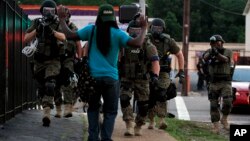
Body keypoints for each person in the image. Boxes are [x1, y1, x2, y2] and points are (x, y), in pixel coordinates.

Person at [57, 4, 148, 141]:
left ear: (98, 17)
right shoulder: (118, 34)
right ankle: (106, 138)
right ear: (113, 18)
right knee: (110, 112)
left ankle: (93, 137)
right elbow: (137, 43)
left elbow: (69, 35)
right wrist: (144, 28)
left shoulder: (91, 30)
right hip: (111, 79)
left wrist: (62, 19)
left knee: (93, 108)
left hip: (92, 78)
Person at [24, 0, 66, 127]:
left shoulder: (58, 22)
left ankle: (47, 113)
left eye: (51, 11)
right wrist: (37, 31)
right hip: (39, 60)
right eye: (46, 11)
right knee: (42, 88)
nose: (48, 13)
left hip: (53, 60)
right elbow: (26, 38)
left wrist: (51, 32)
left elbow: (63, 37)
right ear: (42, 11)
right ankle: (45, 107)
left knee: (50, 84)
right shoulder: (37, 22)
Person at [119, 18, 160, 136]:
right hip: (127, 77)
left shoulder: (148, 45)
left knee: (143, 105)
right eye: (132, 29)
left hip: (142, 79)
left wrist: (155, 76)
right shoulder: (123, 43)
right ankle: (129, 123)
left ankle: (139, 125)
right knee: (124, 98)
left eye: (138, 30)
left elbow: (155, 62)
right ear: (128, 30)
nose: (135, 32)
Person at [146, 18, 185, 130]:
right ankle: (152, 120)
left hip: (163, 72)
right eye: (154, 28)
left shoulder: (168, 41)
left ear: (163, 29)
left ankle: (162, 120)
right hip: (149, 71)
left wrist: (181, 71)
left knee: (162, 93)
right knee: (150, 95)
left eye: (159, 28)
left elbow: (180, 55)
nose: (157, 30)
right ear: (151, 28)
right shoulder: (146, 39)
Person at [54, 7, 82, 118]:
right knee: (55, 83)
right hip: (55, 59)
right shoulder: (55, 26)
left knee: (67, 81)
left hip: (68, 59)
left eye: (65, 15)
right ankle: (58, 108)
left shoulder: (71, 27)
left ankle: (68, 107)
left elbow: (78, 44)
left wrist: (79, 59)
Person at [203, 34, 233, 134]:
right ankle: (216, 126)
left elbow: (225, 59)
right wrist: (212, 51)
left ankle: (224, 119)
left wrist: (217, 54)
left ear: (222, 42)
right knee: (213, 105)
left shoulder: (228, 51)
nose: (216, 44)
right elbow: (205, 58)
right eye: (214, 43)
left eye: (218, 42)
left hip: (225, 82)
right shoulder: (209, 51)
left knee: (228, 101)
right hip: (213, 82)